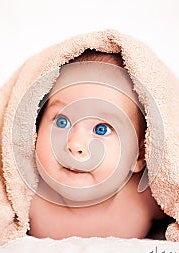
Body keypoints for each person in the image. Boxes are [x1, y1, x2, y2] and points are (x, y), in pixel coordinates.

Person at [28, 50, 166, 239]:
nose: (76, 144)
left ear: (140, 154)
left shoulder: (146, 198)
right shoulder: (25, 198)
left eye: (101, 129)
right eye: (62, 121)